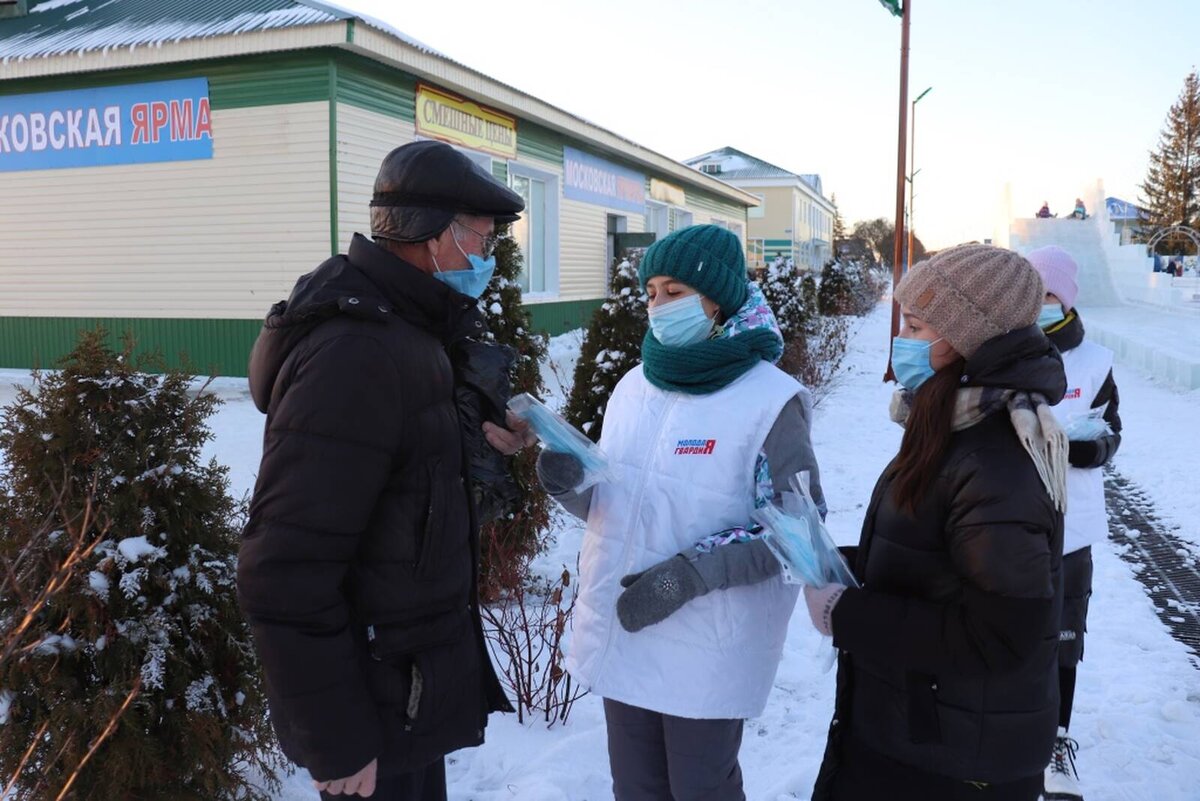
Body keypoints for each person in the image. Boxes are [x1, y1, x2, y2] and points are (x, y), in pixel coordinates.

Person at [237, 140, 535, 800]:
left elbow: (408, 486)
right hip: (368, 711)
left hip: (406, 692)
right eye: (480, 241)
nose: (486, 261)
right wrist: (336, 738)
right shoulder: (357, 355)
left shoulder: (410, 328)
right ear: (433, 239)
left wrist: (489, 446)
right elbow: (283, 567)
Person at [537, 224, 825, 800]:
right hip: (627, 623)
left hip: (708, 645)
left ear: (717, 298)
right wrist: (571, 485)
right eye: (651, 293)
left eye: (675, 292)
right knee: (637, 788)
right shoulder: (633, 387)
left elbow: (799, 533)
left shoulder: (769, 400)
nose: (657, 307)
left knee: (700, 790)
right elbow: (618, 500)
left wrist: (691, 574)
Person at [804, 244, 1069, 801]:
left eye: (916, 325)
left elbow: (1001, 634)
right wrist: (855, 568)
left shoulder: (994, 459)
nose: (901, 340)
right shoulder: (953, 425)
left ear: (966, 342)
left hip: (952, 764)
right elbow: (938, 560)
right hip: (916, 736)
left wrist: (851, 614)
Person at [1028, 246, 1122, 801]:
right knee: (1012, 629)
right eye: (1029, 294)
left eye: (1046, 295)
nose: (1036, 304)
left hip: (1073, 525)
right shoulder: (1002, 354)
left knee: (1065, 639)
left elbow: (1111, 432)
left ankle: (1055, 741)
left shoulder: (1096, 361)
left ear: (1064, 299)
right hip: (1009, 520)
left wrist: (1081, 452)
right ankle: (1013, 729)